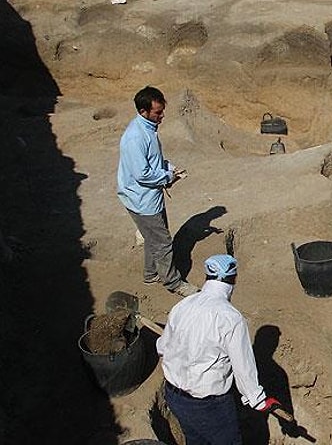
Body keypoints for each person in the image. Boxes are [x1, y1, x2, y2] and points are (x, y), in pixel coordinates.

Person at [157, 254, 285, 444]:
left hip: (174, 397)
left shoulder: (182, 305)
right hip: (208, 406)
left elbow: (162, 347)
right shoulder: (230, 318)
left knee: (196, 440)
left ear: (206, 276)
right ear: (234, 279)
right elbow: (243, 369)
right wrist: (258, 400)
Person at [117, 86, 199, 297]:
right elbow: (142, 174)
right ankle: (174, 283)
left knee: (151, 237)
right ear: (144, 111)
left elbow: (152, 162)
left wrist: (169, 167)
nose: (162, 116)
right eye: (157, 112)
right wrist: (168, 177)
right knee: (162, 241)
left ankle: (151, 273)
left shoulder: (147, 129)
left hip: (149, 197)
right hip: (142, 201)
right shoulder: (136, 137)